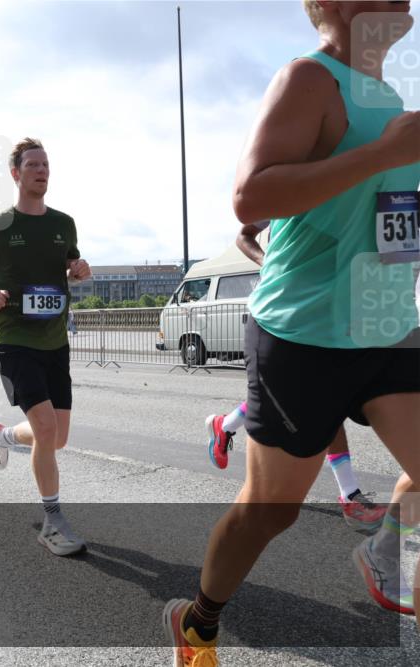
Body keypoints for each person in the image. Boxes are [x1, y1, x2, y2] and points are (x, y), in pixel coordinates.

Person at [165, 4, 420, 664]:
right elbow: (251, 196)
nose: (405, 1)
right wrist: (384, 153)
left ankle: (385, 553)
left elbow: (385, 213)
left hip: (387, 325)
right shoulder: (310, 79)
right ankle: (199, 620)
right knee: (270, 512)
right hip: (306, 334)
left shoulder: (388, 97)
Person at [205, 221, 387, 533]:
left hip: (332, 311)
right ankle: (349, 495)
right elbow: (244, 234)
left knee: (317, 399)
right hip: (284, 316)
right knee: (322, 401)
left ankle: (224, 426)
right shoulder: (291, 189)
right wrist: (269, 263)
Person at [0, 137, 92, 556]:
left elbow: (69, 270)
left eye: (46, 164)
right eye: (33, 164)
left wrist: (79, 270)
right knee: (46, 429)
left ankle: (1, 436)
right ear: (16, 173)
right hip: (15, 338)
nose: (42, 170)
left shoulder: (63, 224)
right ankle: (52, 522)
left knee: (56, 437)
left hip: (55, 340)